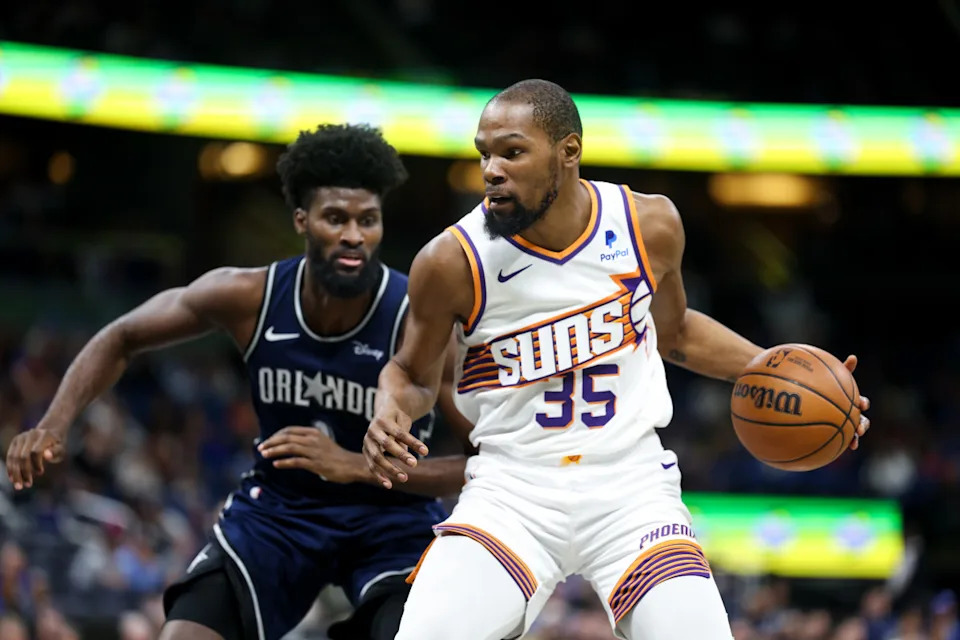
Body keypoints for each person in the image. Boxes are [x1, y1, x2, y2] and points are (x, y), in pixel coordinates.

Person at [364, 79, 872, 640]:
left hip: (631, 489)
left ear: (568, 152)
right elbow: (410, 373)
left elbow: (676, 333)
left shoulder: (647, 224)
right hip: (512, 492)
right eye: (485, 154)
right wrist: (390, 409)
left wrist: (788, 375)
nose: (492, 170)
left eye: (512, 152)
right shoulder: (451, 259)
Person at [5, 123, 473, 640]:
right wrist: (53, 424)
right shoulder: (250, 296)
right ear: (302, 220)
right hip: (280, 512)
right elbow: (121, 337)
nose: (353, 236)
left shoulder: (419, 322)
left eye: (368, 220)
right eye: (335, 218)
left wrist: (355, 466)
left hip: (391, 519)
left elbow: (482, 463)